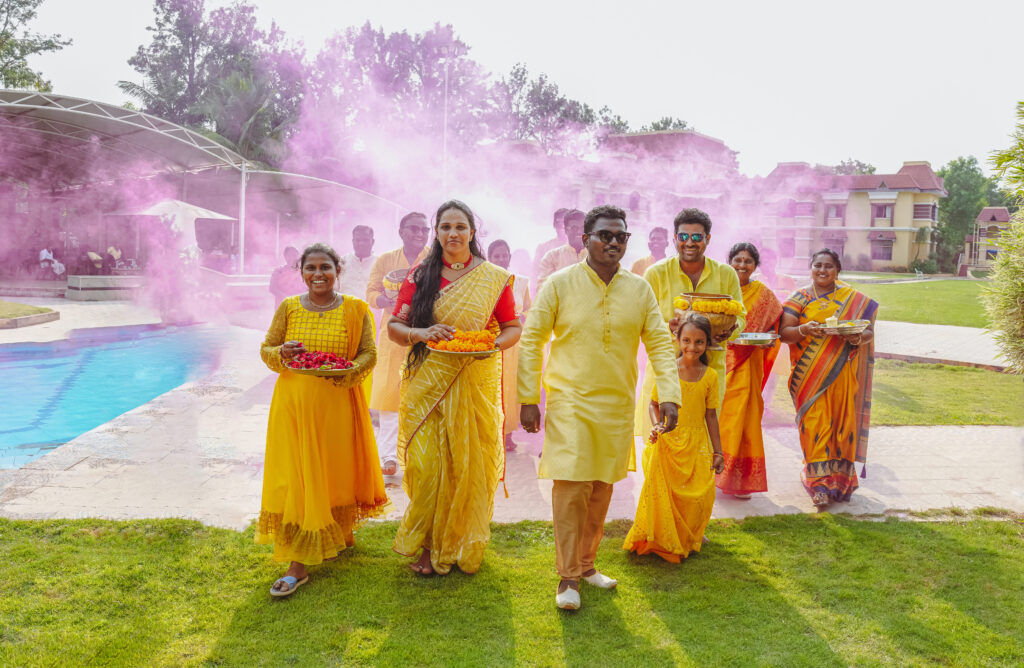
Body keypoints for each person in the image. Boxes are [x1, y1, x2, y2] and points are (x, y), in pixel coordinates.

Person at [518, 205, 680, 611]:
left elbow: (660, 342)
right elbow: (532, 339)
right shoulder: (559, 283)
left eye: (621, 237)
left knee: (601, 486)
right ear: (585, 239)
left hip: (616, 403)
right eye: (605, 235)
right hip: (570, 399)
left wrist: (670, 393)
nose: (613, 242)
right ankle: (567, 576)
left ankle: (588, 566)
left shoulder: (639, 289)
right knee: (571, 484)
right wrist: (527, 398)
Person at [388, 200, 522, 576]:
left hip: (471, 382)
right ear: (436, 233)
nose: (452, 234)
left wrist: (490, 345)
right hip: (426, 381)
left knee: (466, 467)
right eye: (445, 227)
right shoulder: (421, 275)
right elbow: (395, 328)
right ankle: (428, 547)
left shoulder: (493, 277)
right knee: (428, 468)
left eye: (460, 227)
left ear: (472, 233)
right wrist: (421, 332)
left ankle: (459, 544)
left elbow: (512, 327)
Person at [256, 242, 390, 597]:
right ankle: (297, 564)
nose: (318, 274)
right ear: (301, 273)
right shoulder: (288, 308)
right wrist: (280, 353)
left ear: (337, 271)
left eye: (325, 267)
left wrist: (348, 369)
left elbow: (369, 353)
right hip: (294, 405)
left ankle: (337, 534)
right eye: (311, 268)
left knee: (332, 471)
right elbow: (267, 348)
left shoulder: (356, 309)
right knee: (298, 477)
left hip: (336, 403)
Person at [635, 208, 746, 439]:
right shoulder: (656, 274)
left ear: (708, 239)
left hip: (710, 372)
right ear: (674, 239)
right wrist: (671, 328)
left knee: (702, 442)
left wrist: (730, 332)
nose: (689, 243)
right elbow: (641, 321)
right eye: (683, 236)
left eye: (697, 237)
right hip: (666, 370)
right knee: (661, 441)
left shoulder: (726, 274)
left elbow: (741, 317)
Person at [779, 248, 877, 508]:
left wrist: (857, 337)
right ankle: (820, 485)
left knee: (841, 427)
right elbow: (785, 333)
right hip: (807, 377)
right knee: (815, 425)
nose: (822, 270)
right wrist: (803, 328)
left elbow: (867, 330)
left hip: (842, 373)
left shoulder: (851, 298)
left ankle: (841, 481)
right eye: (818, 265)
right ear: (810, 268)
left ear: (837, 270)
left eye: (829, 266)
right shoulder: (798, 298)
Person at [624, 312, 724, 562]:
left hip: (697, 442)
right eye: (687, 340)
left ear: (707, 343)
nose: (692, 347)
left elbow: (711, 416)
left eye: (699, 342)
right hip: (668, 439)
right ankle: (667, 535)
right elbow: (653, 404)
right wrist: (657, 425)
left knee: (700, 491)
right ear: (678, 340)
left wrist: (718, 451)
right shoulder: (669, 371)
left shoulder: (710, 376)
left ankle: (691, 532)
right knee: (667, 491)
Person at [366, 213, 431, 476]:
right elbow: (370, 291)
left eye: (424, 229)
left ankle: (420, 457)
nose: (419, 233)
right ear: (401, 231)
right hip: (393, 334)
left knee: (424, 397)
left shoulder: (435, 259)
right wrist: (383, 301)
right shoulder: (385, 260)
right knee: (391, 397)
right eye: (413, 229)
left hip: (426, 333)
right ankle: (389, 458)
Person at [717, 243, 783, 499]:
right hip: (721, 361)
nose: (742, 265)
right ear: (729, 261)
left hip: (749, 363)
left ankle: (740, 481)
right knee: (718, 418)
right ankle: (714, 472)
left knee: (744, 419)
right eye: (737, 260)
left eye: (748, 261)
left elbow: (778, 319)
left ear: (756, 266)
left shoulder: (763, 293)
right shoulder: (719, 292)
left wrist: (768, 337)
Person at [487, 238, 531, 452]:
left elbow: (528, 311)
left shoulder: (521, 282)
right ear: (489, 258)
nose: (501, 259)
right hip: (491, 342)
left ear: (510, 257)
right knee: (493, 386)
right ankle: (492, 434)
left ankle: (508, 435)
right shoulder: (483, 281)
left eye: (505, 255)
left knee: (512, 389)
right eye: (497, 256)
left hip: (514, 344)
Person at [535, 209, 587, 294]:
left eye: (583, 228)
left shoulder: (599, 257)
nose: (579, 232)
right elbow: (543, 291)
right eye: (574, 228)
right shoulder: (552, 257)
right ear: (566, 230)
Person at [337, 225, 377, 298]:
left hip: (370, 308)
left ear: (373, 241)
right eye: (358, 240)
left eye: (365, 240)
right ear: (353, 241)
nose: (361, 243)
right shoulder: (342, 262)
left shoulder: (380, 263)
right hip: (345, 307)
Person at [532, 207, 569, 280]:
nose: (562, 225)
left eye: (565, 222)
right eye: (559, 221)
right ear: (554, 224)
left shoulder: (580, 248)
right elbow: (534, 274)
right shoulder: (543, 248)